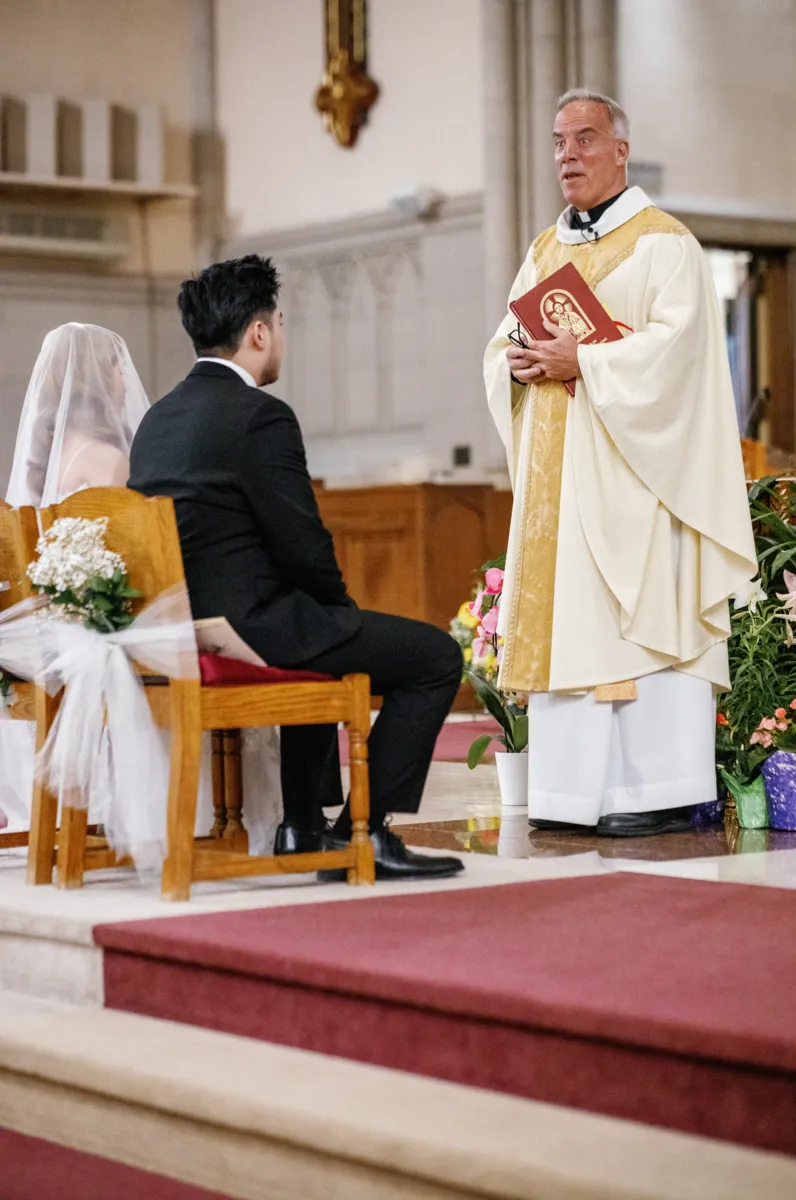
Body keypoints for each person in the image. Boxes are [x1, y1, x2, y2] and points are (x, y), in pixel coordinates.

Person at [128, 255, 464, 881]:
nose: (281, 335)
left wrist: (326, 615)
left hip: (182, 624)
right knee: (436, 657)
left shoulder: (157, 418)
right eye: (280, 322)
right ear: (259, 333)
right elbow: (303, 543)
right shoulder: (260, 415)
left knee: (316, 625)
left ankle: (302, 826)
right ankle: (364, 832)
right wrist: (340, 611)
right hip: (251, 629)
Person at [484, 89, 757, 837]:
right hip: (559, 489)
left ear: (620, 150)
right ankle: (571, 795)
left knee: (638, 627)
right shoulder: (544, 251)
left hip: (637, 484)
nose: (566, 155)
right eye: (557, 141)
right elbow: (503, 341)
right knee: (572, 625)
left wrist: (589, 360)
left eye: (584, 139)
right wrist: (513, 363)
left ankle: (650, 793)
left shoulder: (663, 243)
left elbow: (682, 355)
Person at [1, 323, 150, 830]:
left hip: (41, 631)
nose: (125, 380)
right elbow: (130, 562)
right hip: (86, 631)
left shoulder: (43, 460)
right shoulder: (109, 460)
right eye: (117, 367)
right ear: (99, 376)